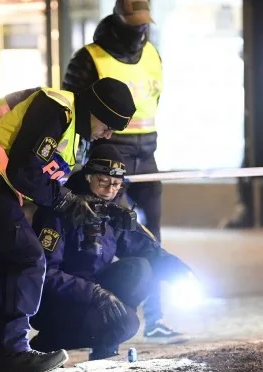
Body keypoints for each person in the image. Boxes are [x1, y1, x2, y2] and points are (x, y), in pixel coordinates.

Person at [0, 78, 136, 372]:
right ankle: (13, 352)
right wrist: (65, 202)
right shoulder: (57, 109)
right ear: (95, 110)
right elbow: (24, 171)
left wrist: (84, 206)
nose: (107, 135)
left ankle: (2, 360)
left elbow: (42, 180)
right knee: (26, 258)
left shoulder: (70, 133)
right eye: (108, 125)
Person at [29, 145, 192, 360]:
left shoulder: (112, 212)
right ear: (88, 177)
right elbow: (45, 275)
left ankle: (105, 343)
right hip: (58, 302)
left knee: (139, 268)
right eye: (103, 182)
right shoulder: (61, 211)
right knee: (127, 323)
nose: (109, 190)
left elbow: (146, 249)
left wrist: (181, 272)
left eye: (115, 184)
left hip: (93, 294)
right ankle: (50, 340)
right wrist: (95, 293)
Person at [62, 0, 164, 240]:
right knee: (113, 226)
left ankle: (157, 273)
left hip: (148, 150)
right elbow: (74, 109)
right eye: (134, 24)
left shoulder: (152, 54)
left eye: (143, 24)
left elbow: (155, 99)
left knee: (153, 227)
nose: (139, 30)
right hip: (109, 149)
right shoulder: (89, 58)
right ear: (118, 18)